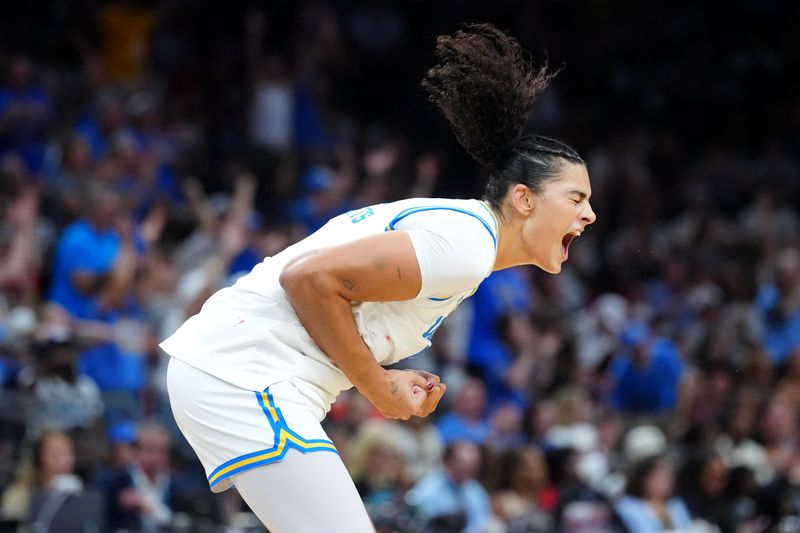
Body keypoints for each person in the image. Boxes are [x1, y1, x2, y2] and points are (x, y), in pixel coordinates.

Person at [161, 23, 596, 532]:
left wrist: (382, 378)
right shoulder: (467, 244)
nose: (589, 215)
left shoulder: (464, 236)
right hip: (245, 374)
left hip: (236, 371)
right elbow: (308, 279)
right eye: (576, 199)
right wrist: (378, 385)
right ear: (523, 199)